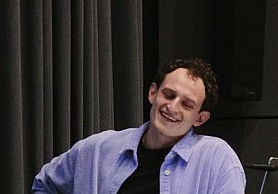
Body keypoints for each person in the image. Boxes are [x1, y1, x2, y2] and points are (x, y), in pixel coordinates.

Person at [32, 57, 246, 193]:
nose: (172, 107)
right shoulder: (98, 148)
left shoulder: (216, 158)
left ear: (200, 118)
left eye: (186, 104)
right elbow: (44, 184)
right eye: (168, 95)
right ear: (153, 93)